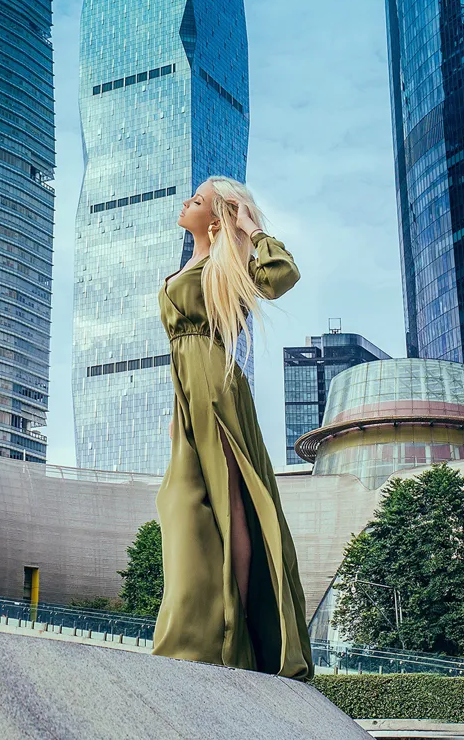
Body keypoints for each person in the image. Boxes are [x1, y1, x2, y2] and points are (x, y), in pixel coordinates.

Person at [153, 175, 314, 680]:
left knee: (231, 503)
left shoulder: (230, 265)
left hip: (216, 388)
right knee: (180, 505)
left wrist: (252, 228)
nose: (186, 203)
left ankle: (234, 633)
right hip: (188, 393)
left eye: (197, 201)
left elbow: (282, 276)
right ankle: (198, 629)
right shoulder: (192, 263)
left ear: (217, 216)